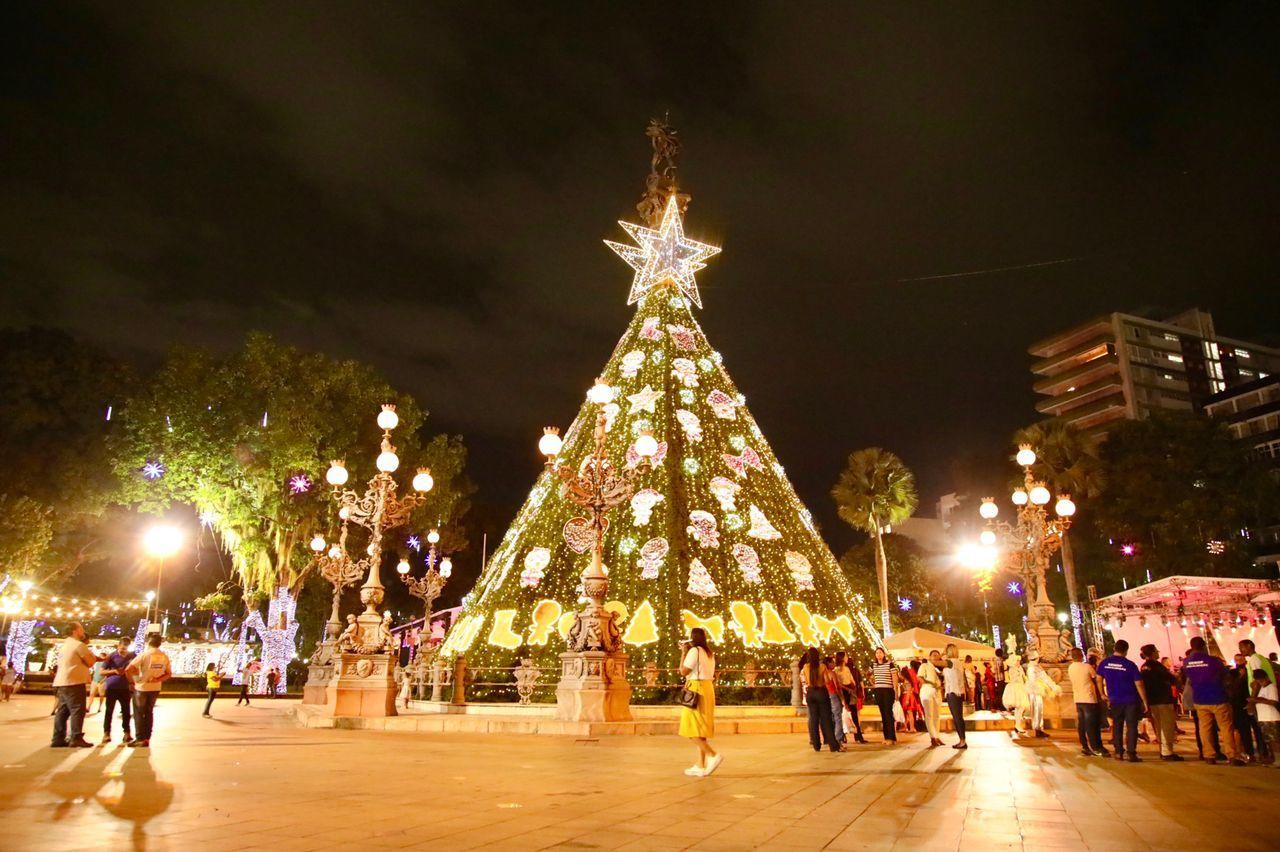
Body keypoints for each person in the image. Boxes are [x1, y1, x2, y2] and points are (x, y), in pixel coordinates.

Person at [1182, 636, 1244, 766]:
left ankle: (1209, 755)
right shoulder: (1213, 661)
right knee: (1226, 727)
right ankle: (1232, 755)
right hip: (1218, 697)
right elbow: (1225, 676)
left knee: (1205, 728)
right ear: (1204, 645)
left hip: (1200, 698)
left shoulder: (1187, 662)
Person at [51, 622, 104, 748]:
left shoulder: (65, 645)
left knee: (62, 711)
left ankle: (58, 738)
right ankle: (76, 737)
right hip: (74, 681)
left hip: (62, 681)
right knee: (77, 710)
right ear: (75, 631)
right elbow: (90, 662)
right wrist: (95, 658)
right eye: (81, 629)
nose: (83, 632)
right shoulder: (79, 645)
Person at [1095, 640, 1148, 761]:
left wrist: (1102, 694)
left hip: (1114, 699)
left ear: (1115, 648)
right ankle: (1131, 753)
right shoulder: (1129, 664)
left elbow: (1098, 678)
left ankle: (1118, 752)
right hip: (1130, 699)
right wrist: (1144, 700)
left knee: (1117, 725)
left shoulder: (1105, 663)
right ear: (1126, 650)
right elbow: (1139, 683)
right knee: (1131, 726)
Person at [678, 628, 720, 776]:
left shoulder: (694, 651)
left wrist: (683, 652)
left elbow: (683, 671)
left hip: (696, 689)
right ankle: (700, 765)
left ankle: (713, 755)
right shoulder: (709, 653)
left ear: (692, 638)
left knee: (689, 728)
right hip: (707, 688)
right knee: (700, 729)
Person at [125, 634, 172, 748]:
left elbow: (128, 669)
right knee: (149, 712)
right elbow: (168, 674)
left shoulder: (145, 654)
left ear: (149, 643)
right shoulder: (164, 656)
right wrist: (157, 679)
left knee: (139, 713)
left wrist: (133, 682)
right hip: (155, 688)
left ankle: (140, 738)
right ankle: (147, 738)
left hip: (142, 688)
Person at [1139, 644, 1181, 761]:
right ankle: (1167, 752)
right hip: (1163, 700)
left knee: (1158, 727)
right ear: (1153, 653)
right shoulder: (1158, 666)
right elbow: (1171, 679)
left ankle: (1163, 750)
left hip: (1151, 701)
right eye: (1156, 651)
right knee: (1167, 727)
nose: (1158, 653)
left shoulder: (1143, 667)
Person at [1068, 648, 1106, 756]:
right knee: (1092, 724)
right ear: (1081, 655)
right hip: (1089, 698)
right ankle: (1095, 747)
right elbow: (1096, 679)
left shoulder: (1071, 667)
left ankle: (1085, 746)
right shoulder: (1087, 667)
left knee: (1082, 724)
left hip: (1078, 698)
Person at [803, 648, 840, 752]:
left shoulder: (805, 667)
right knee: (826, 719)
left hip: (810, 693)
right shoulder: (822, 666)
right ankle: (833, 745)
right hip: (821, 692)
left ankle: (816, 745)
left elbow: (806, 680)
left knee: (813, 719)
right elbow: (827, 680)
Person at [101, 638, 135, 744]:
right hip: (112, 687)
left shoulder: (131, 656)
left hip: (125, 687)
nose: (123, 650)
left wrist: (131, 682)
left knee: (126, 711)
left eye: (126, 647)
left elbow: (136, 669)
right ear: (118, 645)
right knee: (109, 711)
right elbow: (102, 671)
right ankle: (106, 733)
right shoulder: (111, 656)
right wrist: (114, 671)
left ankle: (127, 733)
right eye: (122, 647)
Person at [1247, 668, 1280, 769]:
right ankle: (1274, 758)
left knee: (1274, 740)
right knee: (1269, 740)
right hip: (1264, 717)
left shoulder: (1271, 687)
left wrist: (1257, 700)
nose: (1260, 683)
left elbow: (1274, 702)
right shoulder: (1262, 688)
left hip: (1270, 717)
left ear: (1265, 678)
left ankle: (1278, 760)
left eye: (1261, 680)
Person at [834, 652, 866, 744]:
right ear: (842, 658)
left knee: (854, 713)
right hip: (843, 692)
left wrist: (853, 687)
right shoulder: (836, 670)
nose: (847, 658)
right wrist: (847, 688)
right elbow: (838, 683)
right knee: (843, 714)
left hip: (851, 691)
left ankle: (858, 736)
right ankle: (842, 736)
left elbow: (851, 679)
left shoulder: (847, 668)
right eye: (846, 656)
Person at [869, 648, 899, 744]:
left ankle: (891, 737)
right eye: (877, 653)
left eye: (880, 652)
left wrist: (896, 691)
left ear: (884, 654)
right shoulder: (873, 665)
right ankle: (887, 737)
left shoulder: (889, 664)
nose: (878, 654)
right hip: (878, 691)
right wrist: (873, 682)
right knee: (883, 714)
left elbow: (895, 678)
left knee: (888, 713)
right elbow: (868, 674)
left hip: (888, 690)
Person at [1025, 653, 1059, 738]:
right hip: (1035, 690)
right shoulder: (1033, 668)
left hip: (1035, 690)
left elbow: (1044, 678)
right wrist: (1052, 686)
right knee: (1037, 709)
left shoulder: (1034, 667)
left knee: (1038, 709)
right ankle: (1038, 729)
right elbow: (1040, 679)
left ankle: (1039, 728)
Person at [918, 650, 945, 747]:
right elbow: (920, 677)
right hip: (928, 690)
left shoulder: (939, 669)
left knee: (937, 715)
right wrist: (930, 683)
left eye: (937, 656)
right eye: (933, 655)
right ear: (929, 657)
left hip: (937, 692)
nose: (936, 657)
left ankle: (937, 736)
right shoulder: (924, 665)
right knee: (929, 714)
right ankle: (932, 737)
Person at [821, 656, 846, 746]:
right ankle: (838, 739)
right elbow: (837, 687)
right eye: (832, 662)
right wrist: (842, 698)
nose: (834, 664)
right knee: (838, 718)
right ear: (828, 663)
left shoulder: (821, 674)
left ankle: (829, 739)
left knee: (829, 718)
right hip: (833, 696)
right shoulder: (832, 673)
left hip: (825, 696)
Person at [900, 662, 922, 733]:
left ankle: (912, 728)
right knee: (906, 713)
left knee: (909, 712)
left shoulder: (907, 681)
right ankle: (906, 727)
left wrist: (907, 700)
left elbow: (909, 690)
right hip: (907, 696)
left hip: (908, 696)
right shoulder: (906, 681)